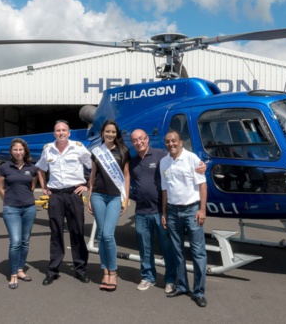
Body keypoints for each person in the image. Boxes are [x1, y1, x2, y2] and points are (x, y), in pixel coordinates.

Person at [129, 129, 206, 293]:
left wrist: (202, 165)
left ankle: (171, 279)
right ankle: (148, 277)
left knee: (168, 247)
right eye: (135, 140)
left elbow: (179, 154)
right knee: (145, 247)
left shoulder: (161, 155)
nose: (139, 142)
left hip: (161, 210)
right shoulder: (133, 161)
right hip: (142, 211)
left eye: (141, 138)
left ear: (147, 139)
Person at [36, 120, 92, 286]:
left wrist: (87, 185)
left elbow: (92, 165)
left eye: (64, 130)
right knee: (56, 232)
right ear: (54, 133)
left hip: (73, 194)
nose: (61, 133)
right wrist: (43, 187)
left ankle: (80, 269)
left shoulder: (78, 147)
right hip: (56, 196)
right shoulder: (48, 149)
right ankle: (53, 270)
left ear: (69, 133)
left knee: (77, 231)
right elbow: (40, 168)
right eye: (58, 130)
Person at [160, 130, 208, 308]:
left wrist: (202, 209)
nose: (170, 144)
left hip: (192, 210)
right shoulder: (164, 162)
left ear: (180, 142)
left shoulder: (192, 159)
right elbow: (165, 189)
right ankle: (181, 286)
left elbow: (202, 185)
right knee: (177, 251)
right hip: (172, 212)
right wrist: (164, 212)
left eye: (174, 141)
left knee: (198, 252)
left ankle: (199, 292)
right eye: (167, 142)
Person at [88, 120, 130, 292]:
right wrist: (90, 196)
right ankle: (105, 270)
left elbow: (126, 176)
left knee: (107, 234)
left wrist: (125, 198)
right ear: (103, 133)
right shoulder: (96, 152)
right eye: (107, 131)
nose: (110, 134)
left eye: (113, 132)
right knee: (101, 234)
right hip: (98, 195)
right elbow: (92, 175)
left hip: (114, 197)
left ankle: (112, 271)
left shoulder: (123, 151)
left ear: (117, 133)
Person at [0, 138, 38, 289]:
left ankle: (20, 269)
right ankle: (13, 274)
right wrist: (8, 201)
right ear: (11, 151)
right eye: (15, 150)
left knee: (25, 240)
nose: (18, 152)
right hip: (11, 208)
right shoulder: (4, 168)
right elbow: (0, 188)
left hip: (29, 208)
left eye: (21, 149)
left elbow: (32, 186)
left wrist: (25, 198)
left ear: (25, 151)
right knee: (15, 241)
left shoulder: (32, 168)